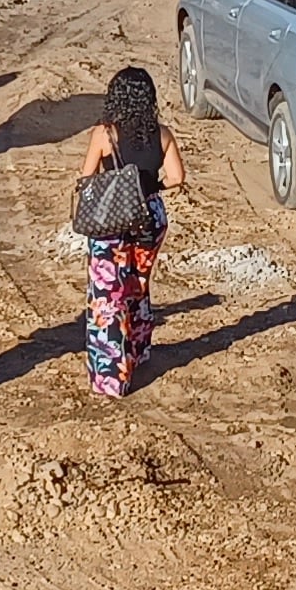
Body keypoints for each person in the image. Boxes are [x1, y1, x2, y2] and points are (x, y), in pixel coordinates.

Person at [73, 64, 183, 398]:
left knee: (108, 298)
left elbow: (86, 178)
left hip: (112, 222)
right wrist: (148, 188)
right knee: (137, 287)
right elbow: (178, 178)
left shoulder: (104, 134)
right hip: (149, 218)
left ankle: (112, 378)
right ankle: (138, 352)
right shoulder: (162, 133)